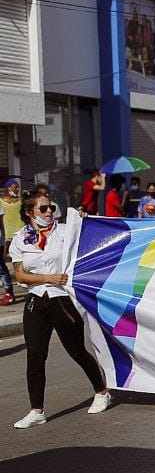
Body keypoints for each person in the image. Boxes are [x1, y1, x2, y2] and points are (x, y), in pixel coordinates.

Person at [9, 192, 112, 428]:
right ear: (29, 212)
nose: (49, 212)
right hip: (36, 299)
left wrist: (85, 220)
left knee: (76, 351)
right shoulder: (20, 239)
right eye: (43, 208)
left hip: (62, 299)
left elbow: (92, 240)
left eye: (52, 207)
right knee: (35, 356)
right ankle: (37, 410)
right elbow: (20, 275)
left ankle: (102, 390)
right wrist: (49, 277)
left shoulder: (66, 231)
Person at [1, 177, 21, 305]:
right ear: (8, 188)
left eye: (18, 187)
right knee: (3, 262)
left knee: (19, 261)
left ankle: (22, 280)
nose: (17, 189)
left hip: (20, 235)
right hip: (7, 236)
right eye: (15, 187)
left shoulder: (21, 202)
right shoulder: (1, 202)